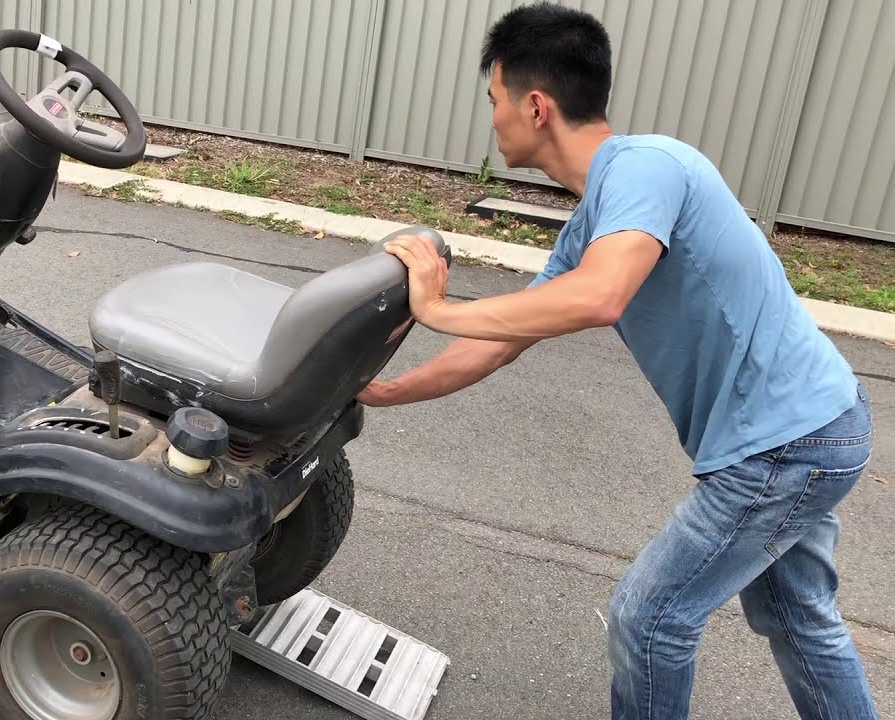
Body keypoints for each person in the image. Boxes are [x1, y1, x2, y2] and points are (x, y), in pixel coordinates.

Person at [358, 3, 878, 719]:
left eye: (494, 101)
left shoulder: (646, 166)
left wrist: (437, 306)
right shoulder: (597, 219)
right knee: (797, 617)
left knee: (651, 618)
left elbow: (601, 297)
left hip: (786, 446)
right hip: (817, 428)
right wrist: (390, 391)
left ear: (536, 107)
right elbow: (504, 341)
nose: (492, 119)